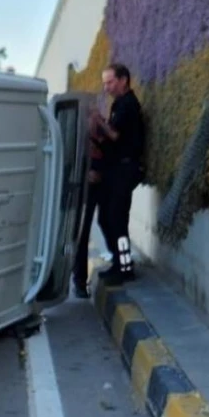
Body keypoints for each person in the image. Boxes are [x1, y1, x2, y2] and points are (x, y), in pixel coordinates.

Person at [93, 63, 146, 284]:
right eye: (104, 83)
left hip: (126, 168)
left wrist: (98, 121)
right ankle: (118, 261)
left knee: (116, 219)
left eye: (110, 82)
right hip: (117, 170)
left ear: (124, 80)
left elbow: (115, 135)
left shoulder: (128, 105)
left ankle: (124, 268)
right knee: (106, 217)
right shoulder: (118, 104)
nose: (107, 87)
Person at [72, 96, 110, 298]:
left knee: (107, 222)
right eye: (92, 110)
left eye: (97, 108)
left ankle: (120, 266)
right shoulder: (77, 132)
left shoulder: (103, 128)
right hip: (82, 185)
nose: (96, 113)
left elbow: (113, 152)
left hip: (101, 183)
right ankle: (78, 281)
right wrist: (84, 174)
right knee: (81, 231)